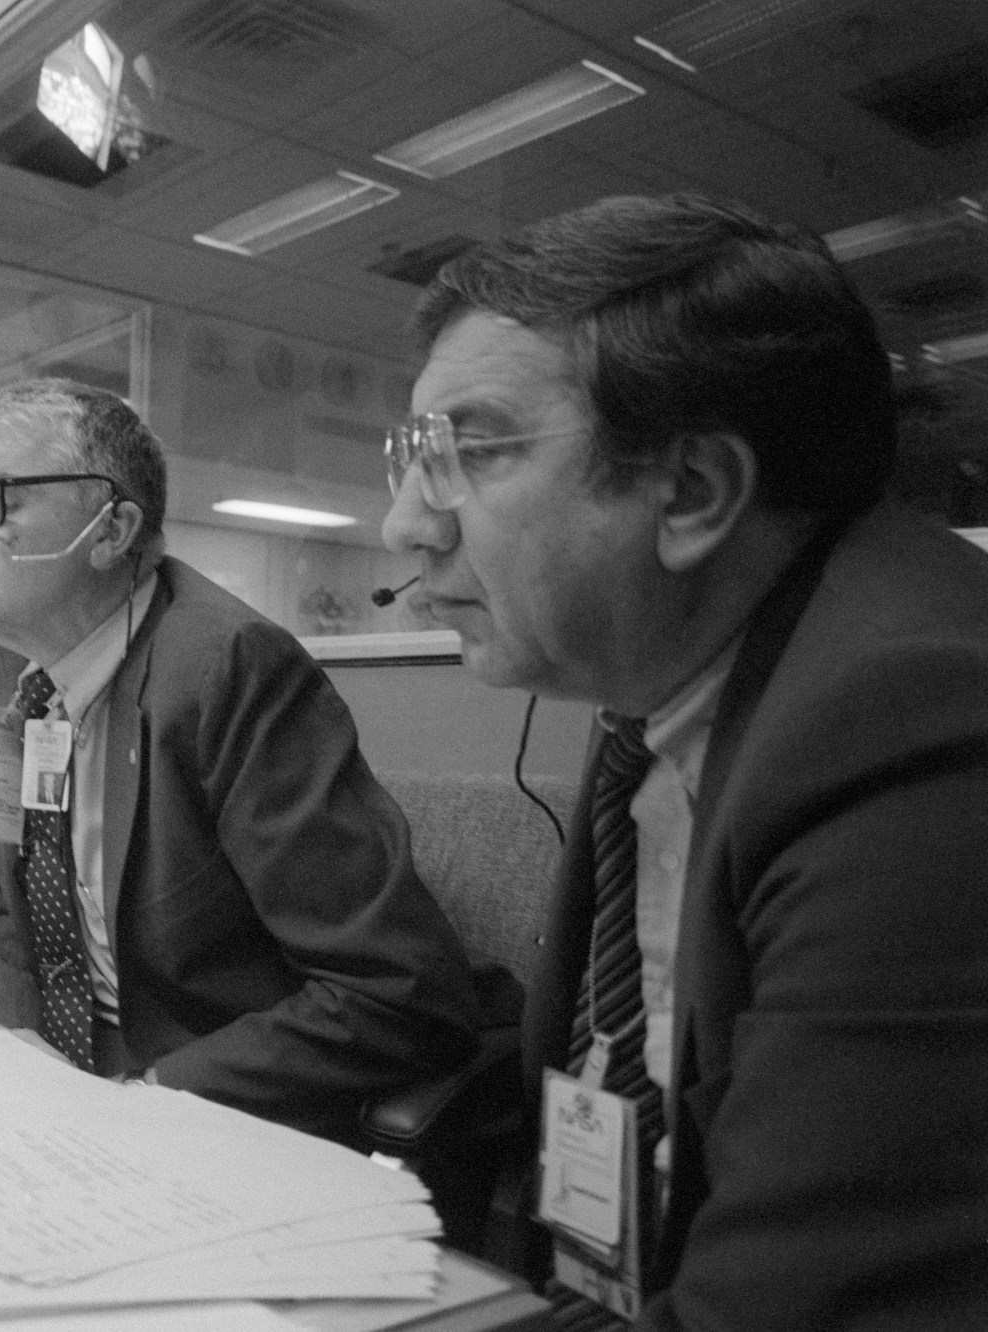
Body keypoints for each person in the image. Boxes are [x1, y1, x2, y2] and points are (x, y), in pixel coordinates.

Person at [380, 193, 988, 1328]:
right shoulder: (661, 695)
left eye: (468, 451)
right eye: (413, 458)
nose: (405, 528)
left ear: (694, 492)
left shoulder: (915, 725)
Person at [0, 377, 483, 1140]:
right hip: (58, 1093)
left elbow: (394, 991)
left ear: (111, 528)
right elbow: (0, 892)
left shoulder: (229, 668)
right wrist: (12, 1043)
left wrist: (143, 1098)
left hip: (207, 1102)